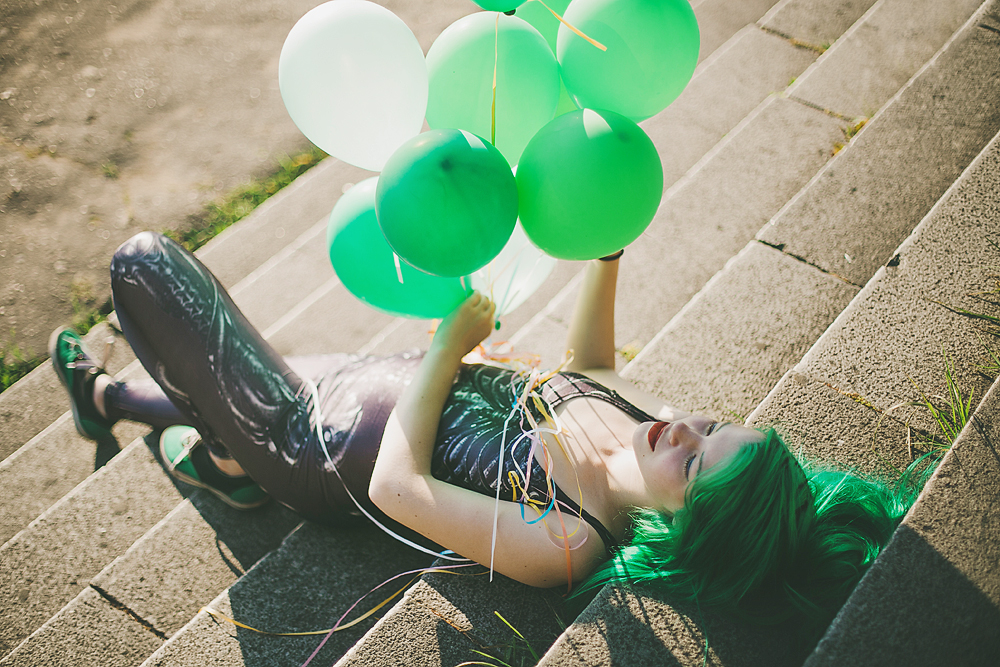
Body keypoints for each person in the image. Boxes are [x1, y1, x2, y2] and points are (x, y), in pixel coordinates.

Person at [50, 231, 922, 648]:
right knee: (229, 369)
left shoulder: (569, 539)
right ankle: (124, 406)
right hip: (381, 372)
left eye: (694, 463)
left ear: (684, 525)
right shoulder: (644, 436)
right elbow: (590, 367)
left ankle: (239, 462)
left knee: (143, 264)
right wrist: (606, 262)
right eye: (715, 426)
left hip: (317, 443)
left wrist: (444, 350)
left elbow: (396, 489)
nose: (686, 430)